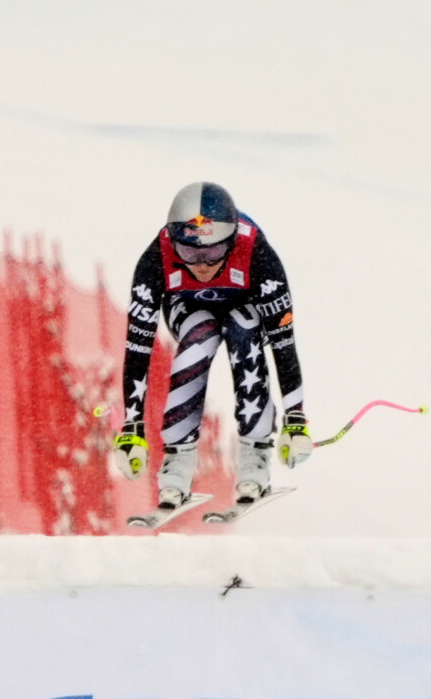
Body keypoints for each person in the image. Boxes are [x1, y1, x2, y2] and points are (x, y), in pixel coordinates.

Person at [110, 182, 308, 513]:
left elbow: (283, 343)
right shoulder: (156, 258)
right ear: (173, 241)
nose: (202, 265)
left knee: (243, 328)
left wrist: (295, 419)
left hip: (245, 306)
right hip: (186, 308)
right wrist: (132, 428)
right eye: (189, 252)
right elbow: (138, 346)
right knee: (199, 335)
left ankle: (255, 457)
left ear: (232, 241)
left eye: (213, 252)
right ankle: (177, 464)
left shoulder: (257, 253)